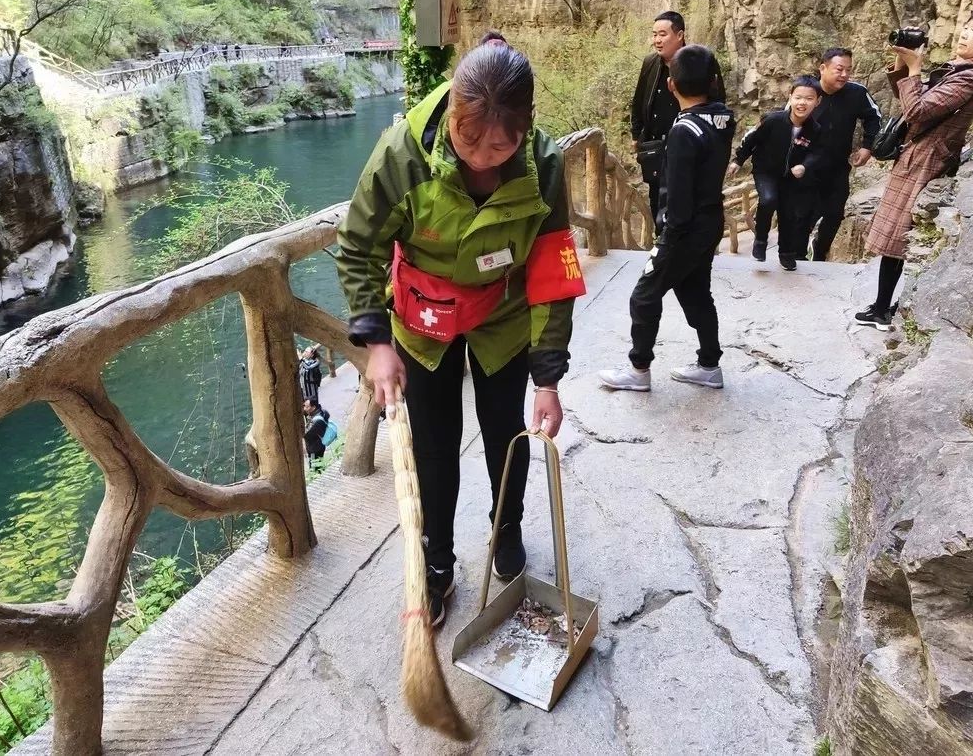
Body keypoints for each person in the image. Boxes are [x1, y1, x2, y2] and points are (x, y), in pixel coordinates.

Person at [336, 31, 585, 626]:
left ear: (523, 131)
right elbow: (359, 245)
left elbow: (553, 273)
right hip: (422, 319)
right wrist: (376, 343)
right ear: (450, 109)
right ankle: (438, 559)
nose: (479, 157)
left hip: (502, 316)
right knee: (434, 445)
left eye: (498, 148)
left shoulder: (543, 167)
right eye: (466, 139)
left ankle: (506, 531)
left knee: (507, 434)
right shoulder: (403, 154)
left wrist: (548, 379)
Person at [856, 5, 973, 331]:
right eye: (966, 25)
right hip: (917, 157)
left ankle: (890, 307)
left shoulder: (971, 77)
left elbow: (917, 112)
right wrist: (903, 63)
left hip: (926, 162)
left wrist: (916, 68)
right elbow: (913, 99)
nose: (965, 32)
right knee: (894, 241)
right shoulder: (960, 69)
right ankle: (883, 305)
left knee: (901, 239)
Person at [599, 45, 736, 392]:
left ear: (672, 85)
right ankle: (709, 365)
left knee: (644, 296)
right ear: (714, 80)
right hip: (709, 223)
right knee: (696, 293)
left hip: (684, 229)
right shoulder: (722, 118)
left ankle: (638, 370)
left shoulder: (684, 131)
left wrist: (667, 240)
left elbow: (676, 194)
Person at [630, 12, 725, 236]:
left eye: (663, 34)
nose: (657, 40)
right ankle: (662, 242)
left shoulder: (699, 61)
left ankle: (686, 244)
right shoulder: (650, 63)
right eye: (654, 35)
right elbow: (639, 99)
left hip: (690, 144)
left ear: (680, 34)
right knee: (657, 197)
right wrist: (636, 134)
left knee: (689, 195)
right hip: (655, 146)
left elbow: (718, 101)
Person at [727, 76, 825, 271]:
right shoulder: (773, 120)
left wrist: (805, 166)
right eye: (798, 97)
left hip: (790, 177)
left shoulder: (815, 129)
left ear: (817, 101)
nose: (802, 103)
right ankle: (761, 240)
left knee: (789, 213)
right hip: (765, 171)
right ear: (790, 97)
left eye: (809, 99)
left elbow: (818, 153)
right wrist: (738, 160)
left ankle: (786, 253)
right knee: (769, 199)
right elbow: (751, 140)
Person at [798, 48, 883, 261]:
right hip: (805, 168)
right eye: (839, 69)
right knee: (802, 216)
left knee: (835, 214)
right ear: (823, 68)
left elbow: (874, 117)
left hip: (837, 167)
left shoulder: (856, 93)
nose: (844, 74)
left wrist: (867, 146)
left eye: (848, 70)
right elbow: (785, 121)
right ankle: (797, 257)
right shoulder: (807, 93)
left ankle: (820, 252)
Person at [303, 399, 331, 470]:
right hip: (320, 445)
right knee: (319, 465)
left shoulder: (317, 421)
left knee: (315, 468)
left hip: (314, 449)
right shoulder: (321, 412)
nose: (304, 409)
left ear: (313, 407)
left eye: (307, 407)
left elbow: (307, 435)